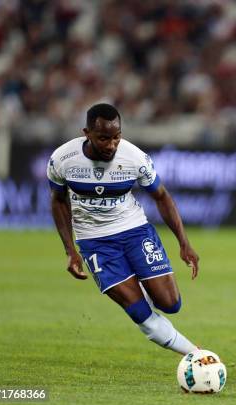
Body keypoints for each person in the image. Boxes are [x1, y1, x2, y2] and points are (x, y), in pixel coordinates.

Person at [47, 103, 200, 355]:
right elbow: (58, 200)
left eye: (116, 137)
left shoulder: (134, 158)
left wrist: (184, 242)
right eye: (103, 138)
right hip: (95, 242)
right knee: (139, 312)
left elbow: (162, 197)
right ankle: (196, 354)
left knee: (171, 304)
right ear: (87, 133)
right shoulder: (62, 159)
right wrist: (70, 250)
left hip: (134, 231)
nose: (111, 145)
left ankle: (141, 285)